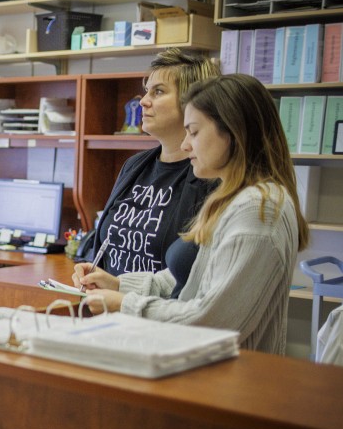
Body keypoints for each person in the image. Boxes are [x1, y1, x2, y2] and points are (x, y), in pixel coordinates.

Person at [73, 74, 309, 355]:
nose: (185, 145)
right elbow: (190, 279)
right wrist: (119, 284)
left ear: (233, 133)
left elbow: (213, 320)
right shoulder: (231, 199)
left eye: (194, 133)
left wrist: (125, 304)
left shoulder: (258, 210)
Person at [76, 48, 221, 276]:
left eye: (158, 91)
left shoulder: (210, 176)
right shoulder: (134, 165)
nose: (143, 101)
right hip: (110, 298)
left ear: (193, 102)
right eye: (147, 91)